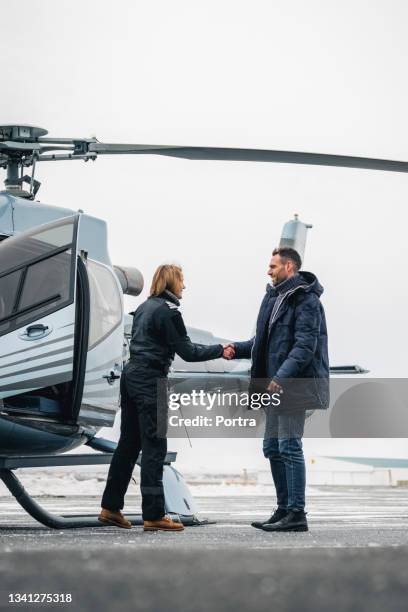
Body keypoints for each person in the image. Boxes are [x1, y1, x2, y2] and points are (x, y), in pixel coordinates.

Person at [99, 264, 232, 531]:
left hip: (131, 375)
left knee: (128, 444)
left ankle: (110, 507)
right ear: (172, 282)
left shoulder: (144, 309)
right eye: (182, 280)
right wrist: (221, 350)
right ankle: (154, 514)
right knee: (154, 447)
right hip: (150, 380)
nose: (184, 286)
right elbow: (189, 352)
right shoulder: (169, 313)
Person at [225, 247, 329, 532]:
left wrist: (281, 377)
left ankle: (297, 514)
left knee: (289, 446)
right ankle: (284, 510)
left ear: (290, 268)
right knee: (272, 447)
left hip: (293, 385)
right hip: (273, 386)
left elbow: (304, 346)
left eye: (273, 266)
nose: (268, 270)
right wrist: (237, 349)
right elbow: (263, 341)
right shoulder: (273, 298)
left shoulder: (306, 300)